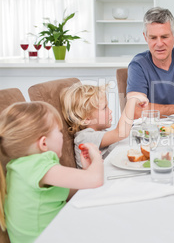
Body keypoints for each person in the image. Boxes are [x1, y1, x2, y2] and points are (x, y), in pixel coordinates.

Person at [0, 101, 104, 242]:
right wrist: (96, 157)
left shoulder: (18, 166)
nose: (62, 136)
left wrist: (86, 171)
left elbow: (67, 189)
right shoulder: (38, 164)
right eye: (59, 131)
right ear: (43, 143)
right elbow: (96, 180)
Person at [61, 83, 149, 168]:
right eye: (104, 108)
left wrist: (131, 117)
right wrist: (132, 101)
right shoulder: (84, 138)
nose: (110, 111)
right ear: (86, 119)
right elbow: (121, 133)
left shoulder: (100, 132)